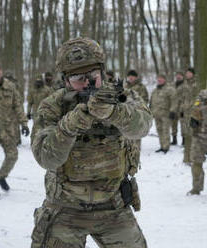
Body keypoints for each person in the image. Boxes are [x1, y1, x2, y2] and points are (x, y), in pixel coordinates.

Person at [30, 37, 152, 248]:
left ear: (102, 73)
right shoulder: (53, 106)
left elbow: (142, 126)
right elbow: (46, 158)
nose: (87, 83)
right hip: (65, 208)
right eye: (78, 78)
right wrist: (69, 126)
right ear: (65, 80)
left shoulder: (120, 96)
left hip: (113, 207)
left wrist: (114, 113)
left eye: (92, 76)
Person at [0, 62, 29, 198]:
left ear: (1, 71)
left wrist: (24, 123)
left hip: (7, 129)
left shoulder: (10, 86)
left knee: (12, 155)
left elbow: (18, 106)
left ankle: (1, 176)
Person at [150, 74, 177, 153]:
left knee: (165, 130)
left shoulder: (170, 89)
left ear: (164, 79)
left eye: (161, 78)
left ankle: (166, 146)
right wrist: (150, 110)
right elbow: (151, 101)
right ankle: (162, 145)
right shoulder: (155, 90)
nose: (159, 80)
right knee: (159, 130)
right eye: (158, 78)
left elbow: (174, 101)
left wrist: (172, 111)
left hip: (166, 114)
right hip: (156, 113)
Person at [27, 74, 53, 142]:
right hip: (35, 113)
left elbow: (51, 102)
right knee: (35, 129)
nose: (38, 82)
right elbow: (30, 102)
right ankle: (34, 142)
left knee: (45, 129)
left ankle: (44, 143)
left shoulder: (47, 90)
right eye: (37, 81)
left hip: (45, 112)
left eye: (40, 81)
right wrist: (28, 112)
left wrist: (51, 111)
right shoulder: (32, 90)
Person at [183, 67, 199, 163]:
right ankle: (187, 157)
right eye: (186, 73)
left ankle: (193, 157)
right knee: (187, 135)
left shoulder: (196, 84)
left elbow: (198, 98)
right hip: (186, 113)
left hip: (194, 112)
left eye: (189, 73)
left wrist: (195, 108)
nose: (187, 74)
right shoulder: (185, 84)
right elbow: (182, 97)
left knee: (194, 135)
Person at [171, 71, 186, 145]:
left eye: (180, 75)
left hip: (182, 108)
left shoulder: (185, 85)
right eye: (177, 75)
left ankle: (184, 140)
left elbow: (187, 98)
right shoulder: (172, 85)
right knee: (173, 124)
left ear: (183, 76)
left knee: (183, 125)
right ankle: (174, 139)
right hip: (173, 108)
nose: (178, 76)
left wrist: (184, 108)